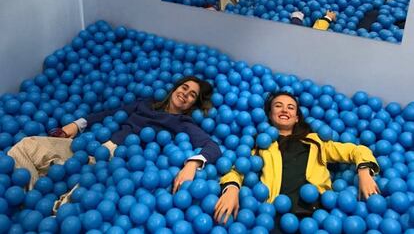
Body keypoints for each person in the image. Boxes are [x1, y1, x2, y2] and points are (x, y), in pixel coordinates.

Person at [7, 76, 221, 192]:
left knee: (77, 207)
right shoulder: (145, 104)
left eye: (192, 95)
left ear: (193, 104)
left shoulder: (183, 122)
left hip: (119, 165)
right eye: (184, 88)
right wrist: (76, 125)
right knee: (26, 146)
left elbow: (213, 147)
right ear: (174, 89)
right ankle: (32, 191)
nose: (185, 94)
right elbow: (109, 114)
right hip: (92, 145)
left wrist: (193, 164)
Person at [214, 91, 379, 227]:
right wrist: (232, 190)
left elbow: (356, 150)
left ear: (297, 117)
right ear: (270, 115)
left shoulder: (315, 141)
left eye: (290, 107)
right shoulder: (261, 145)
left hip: (318, 215)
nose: (285, 110)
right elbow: (238, 168)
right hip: (274, 216)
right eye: (278, 106)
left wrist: (364, 172)